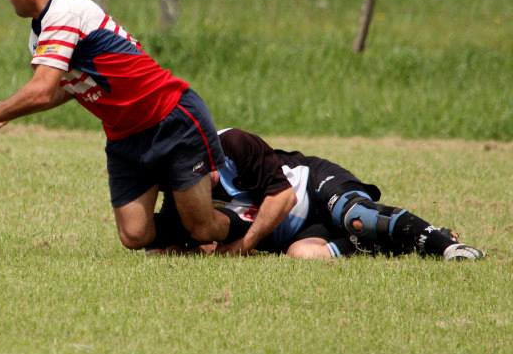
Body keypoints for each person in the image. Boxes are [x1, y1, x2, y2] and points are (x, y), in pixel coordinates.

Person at [0, 0, 249, 252]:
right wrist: (5, 112)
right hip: (126, 135)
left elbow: (41, 89)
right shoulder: (39, 33)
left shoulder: (66, 10)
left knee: (202, 227)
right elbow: (60, 88)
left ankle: (258, 225)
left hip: (170, 119)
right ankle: (185, 232)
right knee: (135, 236)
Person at [155, 127, 484, 261]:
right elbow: (190, 238)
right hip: (294, 234)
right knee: (305, 257)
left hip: (312, 185)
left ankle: (446, 245)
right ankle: (395, 242)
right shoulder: (180, 187)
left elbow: (284, 199)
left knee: (355, 217)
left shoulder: (234, 143)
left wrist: (244, 245)